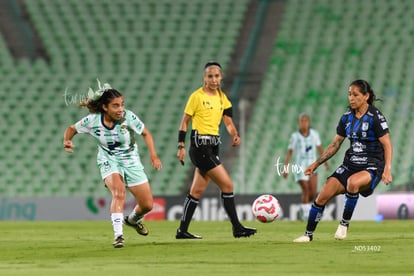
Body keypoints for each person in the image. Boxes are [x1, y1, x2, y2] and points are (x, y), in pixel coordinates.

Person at [63, 80, 162, 248]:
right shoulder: (92, 121)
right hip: (108, 159)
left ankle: (132, 220)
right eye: (116, 106)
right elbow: (71, 129)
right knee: (119, 191)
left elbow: (146, 133)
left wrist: (153, 155)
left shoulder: (128, 117)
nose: (120, 109)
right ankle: (118, 235)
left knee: (147, 205)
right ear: (105, 107)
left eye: (122, 105)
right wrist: (67, 140)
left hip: (131, 160)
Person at [293, 79, 393, 242]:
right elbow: (335, 144)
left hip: (372, 165)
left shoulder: (375, 117)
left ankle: (344, 224)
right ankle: (308, 235)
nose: (351, 98)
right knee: (323, 194)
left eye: (355, 95)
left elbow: (387, 144)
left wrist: (387, 169)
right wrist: (315, 164)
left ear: (366, 96)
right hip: (350, 164)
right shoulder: (346, 119)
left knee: (353, 183)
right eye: (349, 95)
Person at [175, 61, 256, 239]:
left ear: (221, 77)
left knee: (195, 192)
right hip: (200, 146)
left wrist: (235, 134)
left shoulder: (222, 98)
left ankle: (182, 231)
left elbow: (227, 121)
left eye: (217, 76)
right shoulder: (196, 96)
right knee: (227, 185)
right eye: (210, 76)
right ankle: (237, 227)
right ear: (204, 77)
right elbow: (184, 122)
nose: (213, 79)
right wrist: (181, 145)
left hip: (213, 146)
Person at [283, 114, 329, 220]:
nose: (304, 123)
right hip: (300, 166)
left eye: (305, 121)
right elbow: (289, 152)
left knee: (313, 192)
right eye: (301, 121)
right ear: (298, 123)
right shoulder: (295, 137)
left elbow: (320, 148)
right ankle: (305, 214)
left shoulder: (314, 134)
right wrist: (286, 169)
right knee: (306, 189)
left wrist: (325, 162)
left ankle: (304, 208)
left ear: (309, 122)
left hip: (312, 166)